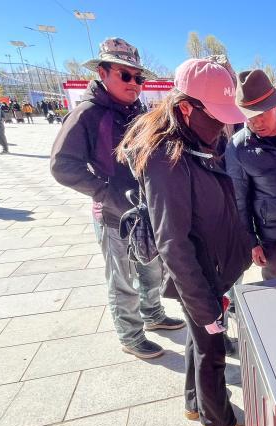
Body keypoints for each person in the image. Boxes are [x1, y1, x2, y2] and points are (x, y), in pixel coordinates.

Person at [117, 59, 252, 426]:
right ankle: (218, 425)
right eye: (216, 115)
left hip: (216, 266)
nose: (223, 125)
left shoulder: (200, 140)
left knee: (199, 340)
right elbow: (172, 241)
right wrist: (203, 305)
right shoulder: (166, 157)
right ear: (186, 107)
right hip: (197, 273)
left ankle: (195, 402)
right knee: (212, 347)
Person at [50, 37, 184, 359]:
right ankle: (130, 335)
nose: (134, 83)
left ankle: (152, 314)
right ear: (103, 72)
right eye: (125, 75)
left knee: (151, 268)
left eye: (139, 78)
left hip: (145, 210)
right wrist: (104, 192)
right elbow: (62, 166)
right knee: (122, 278)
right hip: (113, 215)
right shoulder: (87, 114)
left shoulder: (137, 111)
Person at [225, 69, 276, 280]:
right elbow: (238, 200)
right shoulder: (238, 147)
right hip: (273, 240)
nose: (256, 123)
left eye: (261, 114)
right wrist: (251, 242)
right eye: (249, 117)